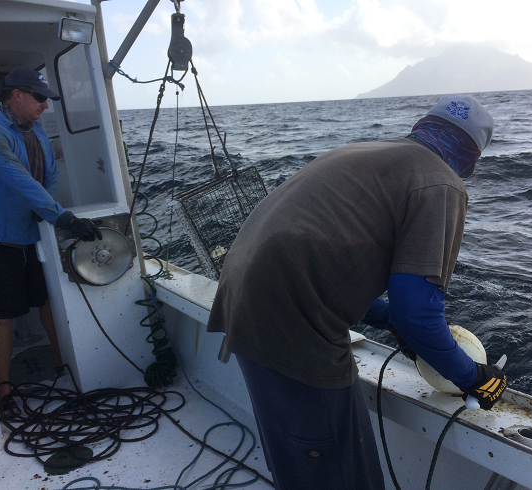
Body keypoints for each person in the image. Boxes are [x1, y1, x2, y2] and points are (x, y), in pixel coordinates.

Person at [207, 94, 507, 489]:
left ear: (422, 126)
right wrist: (473, 378)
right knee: (339, 470)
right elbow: (416, 314)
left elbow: (326, 254)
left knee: (299, 460)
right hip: (292, 323)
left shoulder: (363, 151)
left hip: (242, 297)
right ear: (472, 158)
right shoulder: (441, 182)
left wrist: (389, 320)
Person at [0, 67, 102, 417]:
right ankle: (4, 389)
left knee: (46, 301)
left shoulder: (39, 132)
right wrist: (65, 219)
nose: (45, 105)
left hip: (32, 233)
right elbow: (21, 181)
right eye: (40, 97)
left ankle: (63, 366)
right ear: (17, 96)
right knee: (4, 313)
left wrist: (50, 216)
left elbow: (49, 178)